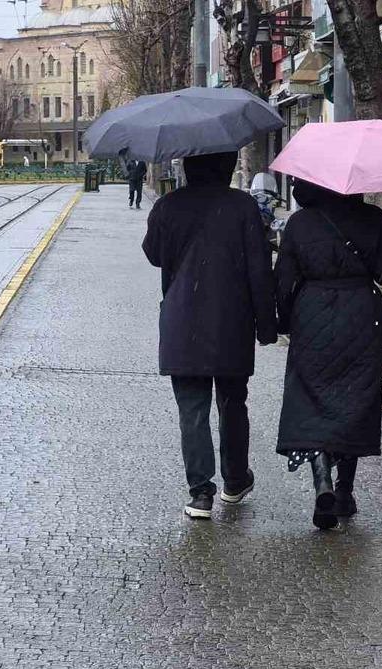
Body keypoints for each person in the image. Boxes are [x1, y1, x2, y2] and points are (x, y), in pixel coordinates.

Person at [142, 152, 277, 520]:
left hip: (182, 320)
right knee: (233, 403)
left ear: (188, 165)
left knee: (192, 409)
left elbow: (153, 254)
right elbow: (259, 269)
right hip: (232, 321)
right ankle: (235, 480)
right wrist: (267, 325)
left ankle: (201, 493)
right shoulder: (243, 207)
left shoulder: (169, 206)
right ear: (228, 164)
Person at [275, 179, 382, 530]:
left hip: (312, 315)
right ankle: (345, 491)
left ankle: (322, 481)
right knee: (354, 401)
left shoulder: (300, 223)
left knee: (312, 399)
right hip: (362, 316)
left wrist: (284, 321)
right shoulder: (373, 218)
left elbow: (283, 279)